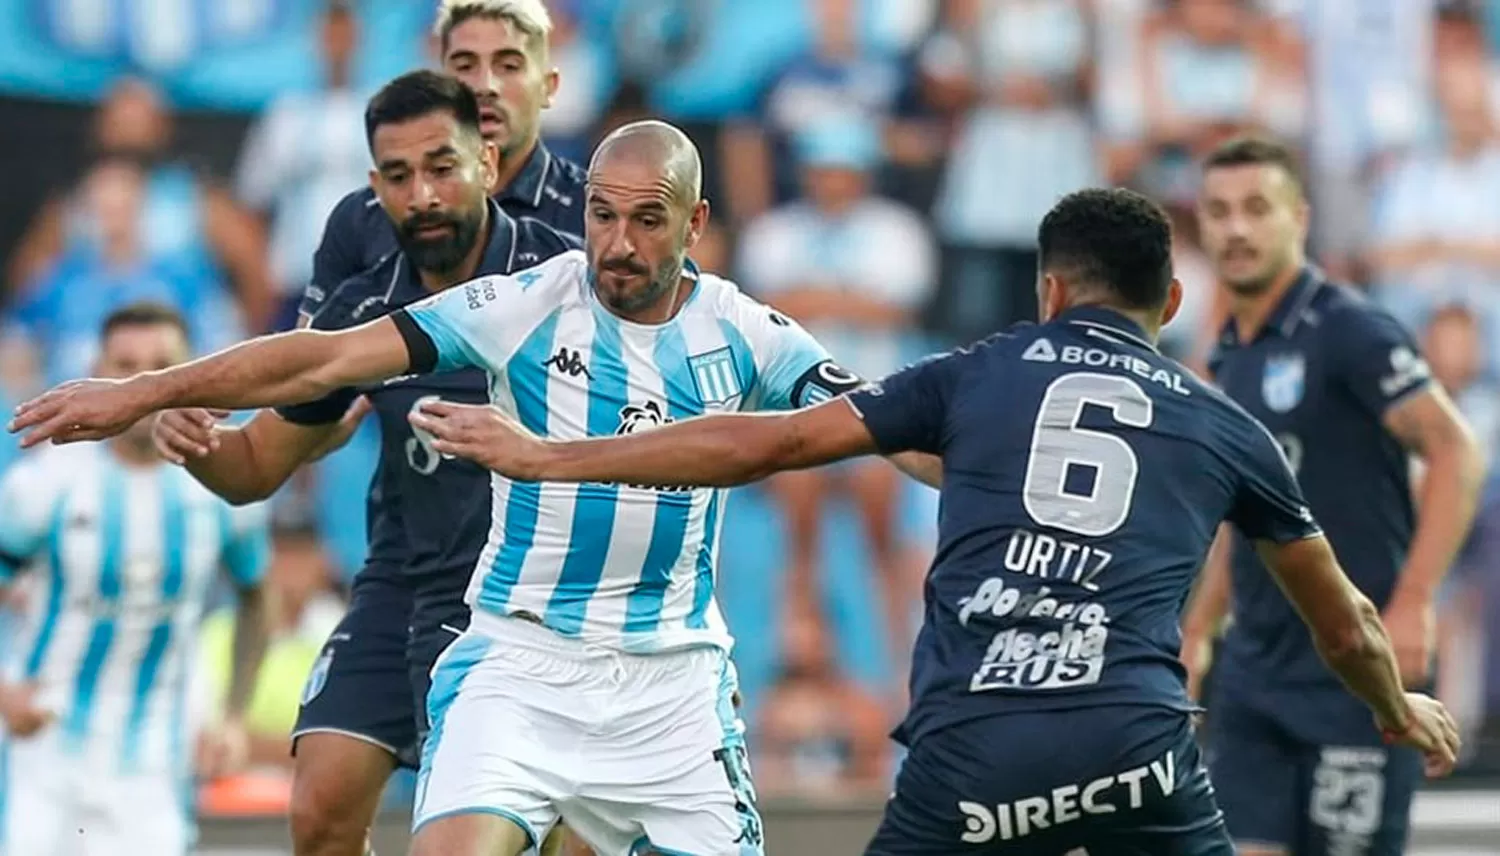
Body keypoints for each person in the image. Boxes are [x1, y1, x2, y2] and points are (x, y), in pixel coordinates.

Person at [395, 187, 1454, 855]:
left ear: (1046, 290)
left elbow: (760, 442)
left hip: (977, 750)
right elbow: (1347, 625)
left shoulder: (972, 374)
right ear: (1171, 301)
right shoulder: (1226, 426)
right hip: (1137, 745)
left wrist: (550, 455)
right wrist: (1395, 706)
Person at [7, 118, 940, 856]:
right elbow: (326, 358)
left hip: (673, 681)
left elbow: (880, 424)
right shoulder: (528, 302)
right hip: (520, 664)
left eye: (647, 219)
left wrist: (974, 459)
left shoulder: (751, 333)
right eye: (602, 214)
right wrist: (144, 388)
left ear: (695, 224)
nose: (617, 242)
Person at [150, 70, 577, 856]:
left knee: (538, 837)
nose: (422, 194)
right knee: (318, 809)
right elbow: (253, 469)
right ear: (373, 184)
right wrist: (195, 442)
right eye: (398, 175)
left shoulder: (561, 281)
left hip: (531, 597)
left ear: (486, 160)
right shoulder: (363, 310)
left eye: (441, 168)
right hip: (408, 580)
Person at [1178, 136, 1484, 856]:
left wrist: (1413, 601)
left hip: (1360, 679)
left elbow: (1455, 450)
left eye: (1257, 208)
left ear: (1299, 218)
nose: (1238, 228)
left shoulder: (1349, 331)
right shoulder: (1229, 355)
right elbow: (1243, 516)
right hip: (1254, 677)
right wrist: (1196, 631)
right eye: (1219, 212)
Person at [0, 302, 271, 855]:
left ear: (187, 370)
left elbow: (256, 596)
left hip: (154, 759)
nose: (144, 381)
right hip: (45, 750)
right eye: (124, 365)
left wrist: (234, 716)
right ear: (96, 370)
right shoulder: (47, 483)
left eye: (161, 364)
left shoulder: (220, 485)